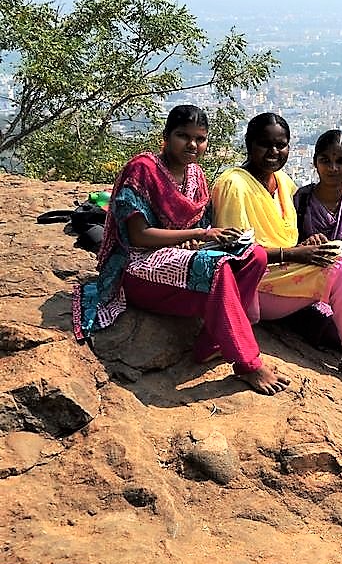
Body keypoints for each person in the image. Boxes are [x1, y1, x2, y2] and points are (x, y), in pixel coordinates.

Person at [74, 105, 288, 395]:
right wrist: (197, 234)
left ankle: (211, 344)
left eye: (200, 138)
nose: (192, 145)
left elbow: (193, 227)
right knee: (219, 269)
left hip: (176, 259)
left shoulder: (195, 175)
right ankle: (247, 363)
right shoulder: (143, 171)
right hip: (138, 267)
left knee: (255, 256)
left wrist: (199, 239)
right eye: (183, 136)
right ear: (166, 136)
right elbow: (138, 236)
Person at [211, 113, 342, 394]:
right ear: (249, 144)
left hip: (282, 275)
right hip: (256, 284)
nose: (273, 152)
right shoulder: (235, 184)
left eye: (280, 145)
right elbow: (236, 254)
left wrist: (307, 244)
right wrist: (297, 254)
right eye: (264, 144)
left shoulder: (282, 182)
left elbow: (291, 234)